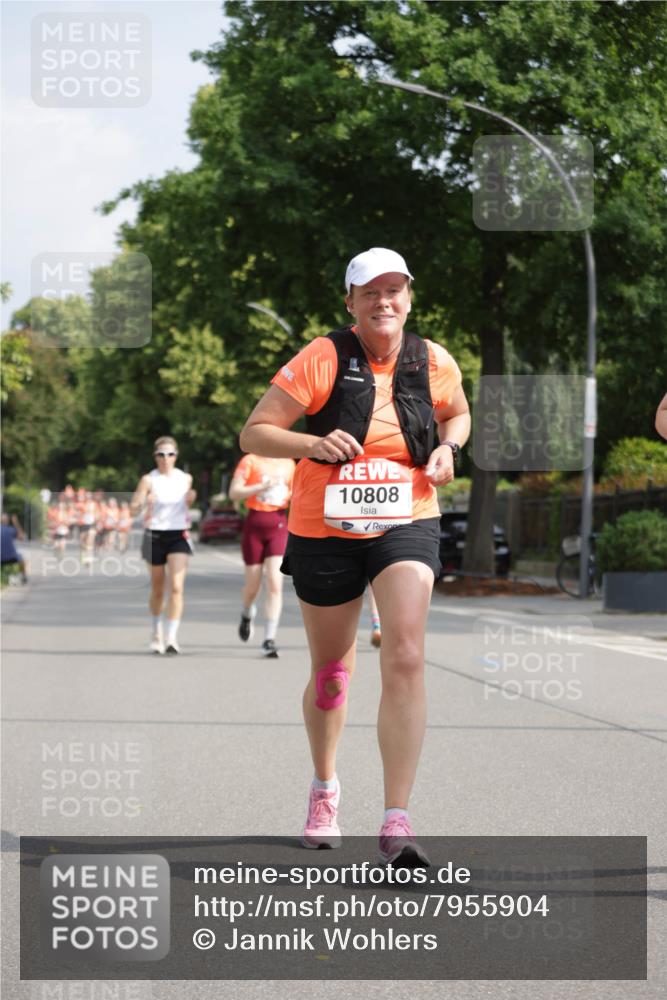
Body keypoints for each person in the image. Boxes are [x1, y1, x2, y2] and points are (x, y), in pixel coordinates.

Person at [239, 247, 471, 864]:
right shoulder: (322, 356)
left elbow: (458, 413)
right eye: (370, 292)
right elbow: (255, 432)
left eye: (395, 290)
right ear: (350, 301)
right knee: (332, 676)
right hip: (325, 526)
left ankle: (397, 821)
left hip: (408, 516)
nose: (384, 301)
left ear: (409, 299)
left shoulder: (432, 359)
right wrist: (312, 442)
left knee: (406, 652)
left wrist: (448, 448)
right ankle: (325, 786)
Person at [130, 436, 196, 655]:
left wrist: (191, 498)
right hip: (154, 535)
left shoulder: (185, 478)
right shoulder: (148, 480)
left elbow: (188, 501)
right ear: (155, 456)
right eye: (161, 454)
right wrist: (143, 502)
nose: (166, 458)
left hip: (178, 534)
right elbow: (132, 509)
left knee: (177, 586)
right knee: (158, 589)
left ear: (176, 456)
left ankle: (171, 637)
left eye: (170, 454)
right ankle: (156, 630)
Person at [228, 454, 296, 658]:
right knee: (252, 586)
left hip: (279, 524)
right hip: (254, 526)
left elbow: (296, 493)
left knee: (275, 582)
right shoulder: (250, 461)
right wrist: (259, 487)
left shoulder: (288, 463)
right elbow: (234, 493)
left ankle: (269, 639)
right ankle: (247, 612)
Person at [1, 513, 28, 583]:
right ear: (8, 521)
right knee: (22, 560)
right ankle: (23, 577)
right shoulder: (11, 530)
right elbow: (22, 537)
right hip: (12, 557)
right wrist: (16, 523)